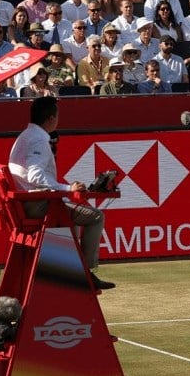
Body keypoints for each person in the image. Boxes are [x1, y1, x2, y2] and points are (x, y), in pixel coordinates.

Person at [9, 97, 114, 289]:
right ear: (50, 119)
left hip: (30, 201)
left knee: (70, 217)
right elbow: (35, 175)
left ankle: (73, 269)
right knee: (96, 216)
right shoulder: (38, 140)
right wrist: (67, 188)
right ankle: (85, 271)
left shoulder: (26, 136)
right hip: (37, 204)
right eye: (57, 116)